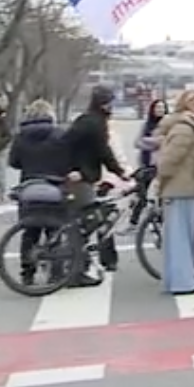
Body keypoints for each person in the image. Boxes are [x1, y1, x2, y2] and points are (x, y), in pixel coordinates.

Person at [65, 85, 128, 284]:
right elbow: (103, 151)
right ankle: (76, 271)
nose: (112, 107)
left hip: (82, 175)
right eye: (110, 102)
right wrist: (121, 172)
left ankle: (81, 265)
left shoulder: (86, 120)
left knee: (84, 223)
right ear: (104, 104)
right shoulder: (96, 123)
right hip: (82, 177)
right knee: (84, 224)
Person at [7, 99, 68, 285]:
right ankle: (56, 273)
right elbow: (68, 158)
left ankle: (27, 273)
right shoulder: (59, 134)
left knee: (29, 233)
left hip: (29, 187)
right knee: (55, 231)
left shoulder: (20, 136)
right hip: (54, 186)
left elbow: (14, 162)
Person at [154, 90, 194, 295]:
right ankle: (184, 281)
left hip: (180, 187)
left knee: (177, 237)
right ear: (188, 105)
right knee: (182, 237)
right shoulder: (185, 129)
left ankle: (176, 279)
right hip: (181, 188)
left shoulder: (182, 127)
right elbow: (168, 161)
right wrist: (163, 179)